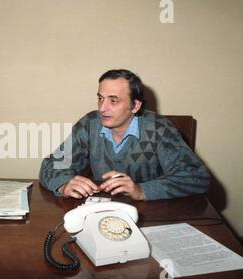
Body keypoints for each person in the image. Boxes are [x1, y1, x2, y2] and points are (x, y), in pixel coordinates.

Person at [39, 69, 210, 200]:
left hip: (152, 216)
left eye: (113, 100)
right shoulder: (90, 125)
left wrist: (142, 190)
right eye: (100, 98)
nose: (102, 108)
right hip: (102, 214)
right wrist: (64, 184)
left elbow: (196, 177)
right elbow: (51, 164)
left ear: (135, 106)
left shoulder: (159, 129)